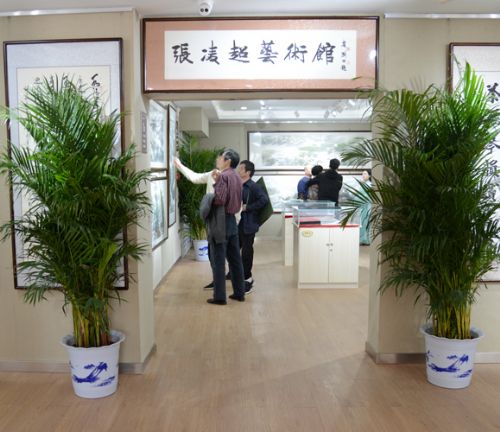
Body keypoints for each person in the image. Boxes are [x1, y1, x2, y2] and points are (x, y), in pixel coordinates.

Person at [207, 149, 246, 305]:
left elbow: (219, 200)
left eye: (220, 157)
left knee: (218, 261)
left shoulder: (223, 176)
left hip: (220, 221)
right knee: (235, 260)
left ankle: (219, 297)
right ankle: (239, 293)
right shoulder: (237, 176)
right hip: (232, 222)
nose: (218, 159)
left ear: (228, 161)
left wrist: (209, 198)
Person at [237, 160, 269, 294]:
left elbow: (264, 200)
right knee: (233, 249)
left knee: (246, 252)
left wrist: (248, 207)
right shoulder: (238, 184)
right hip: (237, 223)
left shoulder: (254, 186)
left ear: (248, 172)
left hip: (249, 224)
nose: (238, 170)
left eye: (241, 168)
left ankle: (248, 279)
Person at [359, 169, 372, 245]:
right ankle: (363, 239)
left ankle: (365, 240)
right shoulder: (363, 184)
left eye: (365, 173)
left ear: (369, 175)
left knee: (366, 223)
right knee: (362, 223)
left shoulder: (370, 185)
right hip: (362, 207)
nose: (363, 175)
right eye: (362, 174)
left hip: (367, 206)